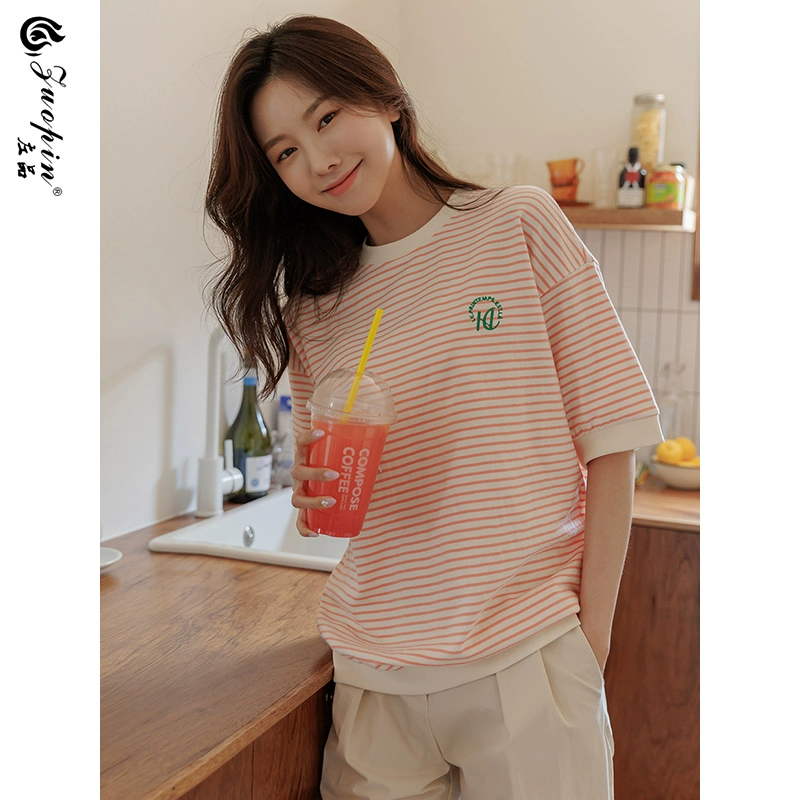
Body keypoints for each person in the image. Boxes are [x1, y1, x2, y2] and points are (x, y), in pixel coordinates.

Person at [205, 15, 662, 800]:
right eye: (285, 152)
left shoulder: (518, 223)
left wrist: (590, 643)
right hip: (374, 680)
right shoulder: (313, 308)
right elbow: (323, 506)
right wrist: (311, 498)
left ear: (385, 98)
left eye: (326, 118)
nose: (318, 160)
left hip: (526, 661)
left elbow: (612, 446)